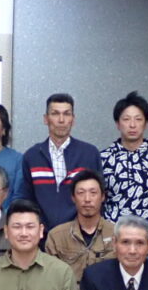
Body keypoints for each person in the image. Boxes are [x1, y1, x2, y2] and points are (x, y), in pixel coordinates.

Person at [21, 93, 101, 230]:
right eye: (55, 114)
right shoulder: (32, 156)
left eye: (67, 114)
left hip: (80, 234)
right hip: (42, 236)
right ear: (46, 119)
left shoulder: (89, 153)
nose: (61, 120)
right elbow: (26, 199)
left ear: (73, 119)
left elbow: (100, 197)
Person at [100, 91, 148, 248]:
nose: (132, 125)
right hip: (112, 238)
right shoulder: (103, 158)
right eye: (126, 119)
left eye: (138, 119)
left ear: (146, 124)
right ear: (117, 123)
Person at [44, 168, 115, 282]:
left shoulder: (117, 234)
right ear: (73, 198)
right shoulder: (56, 236)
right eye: (81, 193)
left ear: (102, 197)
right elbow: (51, 280)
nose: (87, 199)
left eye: (93, 193)